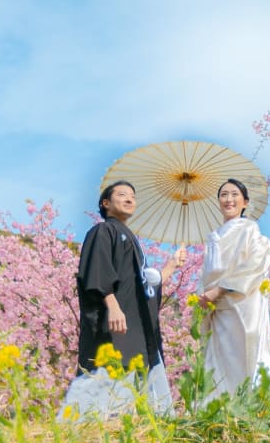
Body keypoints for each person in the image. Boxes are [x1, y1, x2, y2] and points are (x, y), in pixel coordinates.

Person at [61, 180, 185, 420]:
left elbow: (143, 285)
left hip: (134, 326)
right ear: (106, 203)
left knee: (131, 380)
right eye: (122, 194)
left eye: (133, 196)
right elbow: (98, 271)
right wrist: (113, 306)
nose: (130, 199)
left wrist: (171, 266)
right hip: (115, 322)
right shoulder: (103, 231)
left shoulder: (131, 239)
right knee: (107, 375)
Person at [199, 177, 270, 399]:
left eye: (234, 195)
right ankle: (220, 412)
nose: (228, 199)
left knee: (244, 356)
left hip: (242, 303)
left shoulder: (250, 229)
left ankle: (251, 407)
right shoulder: (213, 237)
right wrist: (202, 295)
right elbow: (206, 275)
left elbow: (254, 264)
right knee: (218, 360)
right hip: (216, 309)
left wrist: (220, 289)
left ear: (245, 203)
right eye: (224, 195)